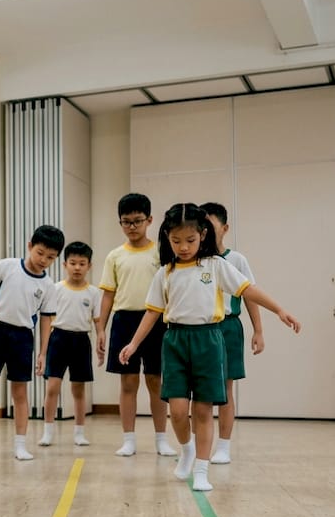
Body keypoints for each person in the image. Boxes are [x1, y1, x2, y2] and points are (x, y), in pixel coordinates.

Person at [119, 204, 299, 492]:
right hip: (175, 341)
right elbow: (152, 312)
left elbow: (248, 289)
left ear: (202, 235)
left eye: (190, 240)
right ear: (167, 237)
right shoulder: (165, 273)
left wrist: (279, 310)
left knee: (202, 410)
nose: (184, 247)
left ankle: (201, 469)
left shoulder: (216, 266)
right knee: (177, 411)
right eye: (176, 241)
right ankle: (187, 449)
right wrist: (133, 343)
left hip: (208, 341)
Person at [0, 225, 64, 461]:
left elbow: (46, 321)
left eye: (51, 257)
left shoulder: (48, 286)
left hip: (22, 338)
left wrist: (43, 353)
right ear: (30, 246)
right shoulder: (9, 266)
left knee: (19, 392)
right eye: (40, 253)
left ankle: (20, 445)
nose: (44, 260)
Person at [98, 193, 176, 458]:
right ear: (120, 223)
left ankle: (161, 439)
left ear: (150, 220)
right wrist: (101, 328)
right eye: (126, 222)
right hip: (124, 321)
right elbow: (108, 294)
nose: (132, 227)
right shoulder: (115, 256)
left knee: (156, 381)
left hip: (155, 321)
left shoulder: (161, 252)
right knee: (128, 383)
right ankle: (128, 439)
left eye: (138, 221)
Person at [200, 202, 261, 465]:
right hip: (201, 328)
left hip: (228, 327)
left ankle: (223, 446)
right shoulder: (195, 260)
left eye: (212, 227)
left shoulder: (237, 260)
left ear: (224, 228)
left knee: (226, 388)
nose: (207, 233)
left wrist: (258, 330)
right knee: (200, 390)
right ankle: (198, 443)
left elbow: (250, 296)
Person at [38, 241, 102, 448]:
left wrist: (101, 336)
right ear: (64, 264)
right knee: (52, 387)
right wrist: (43, 349)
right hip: (59, 339)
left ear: (89, 266)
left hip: (81, 340)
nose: (77, 267)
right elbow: (46, 319)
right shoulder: (55, 289)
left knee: (78, 389)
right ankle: (48, 430)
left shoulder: (93, 293)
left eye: (82, 263)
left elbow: (98, 320)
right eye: (73, 263)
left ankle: (79, 432)